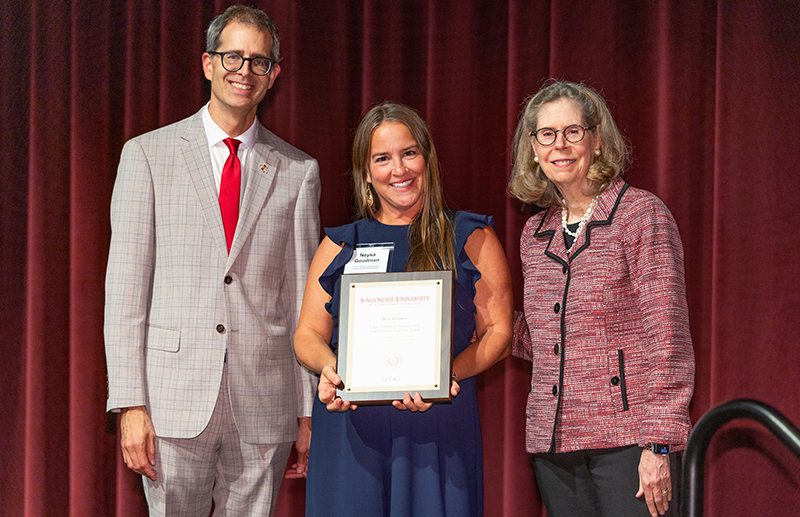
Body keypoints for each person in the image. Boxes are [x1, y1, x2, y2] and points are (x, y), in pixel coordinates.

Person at [104, 6, 320, 516]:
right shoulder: (147, 155)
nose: (244, 70)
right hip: (171, 402)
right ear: (207, 63)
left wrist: (306, 411)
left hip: (264, 405)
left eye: (259, 61)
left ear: (274, 76)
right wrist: (130, 404)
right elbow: (126, 292)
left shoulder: (298, 171)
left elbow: (302, 303)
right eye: (232, 57)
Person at [294, 102, 513, 516]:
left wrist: (449, 375)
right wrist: (333, 372)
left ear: (427, 158)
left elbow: (499, 333)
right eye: (382, 158)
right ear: (365, 172)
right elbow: (307, 335)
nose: (399, 169)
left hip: (438, 429)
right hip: (351, 431)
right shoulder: (341, 244)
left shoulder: (470, 236)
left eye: (409, 153)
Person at [507, 81, 695, 517]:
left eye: (573, 131)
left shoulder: (640, 214)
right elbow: (548, 339)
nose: (561, 145)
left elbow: (668, 338)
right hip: (554, 448)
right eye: (547, 134)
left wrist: (660, 443)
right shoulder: (535, 234)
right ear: (533, 149)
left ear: (595, 139)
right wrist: (478, 315)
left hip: (628, 444)